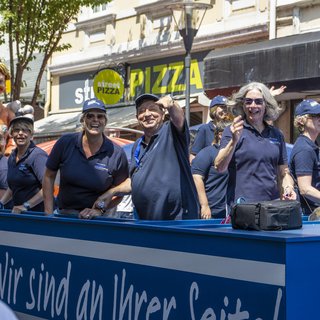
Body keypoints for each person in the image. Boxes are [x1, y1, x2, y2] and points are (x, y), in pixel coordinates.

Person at [95, 94, 199, 220]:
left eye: (152, 109)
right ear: (137, 118)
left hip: (176, 220)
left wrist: (171, 104)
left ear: (163, 113)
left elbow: (179, 119)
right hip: (146, 220)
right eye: (142, 111)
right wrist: (112, 192)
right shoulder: (137, 146)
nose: (147, 114)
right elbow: (133, 181)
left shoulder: (171, 131)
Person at [42, 98, 129, 219]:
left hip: (99, 219)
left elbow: (119, 193)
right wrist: (49, 213)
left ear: (105, 121)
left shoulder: (116, 152)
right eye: (90, 116)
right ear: (83, 120)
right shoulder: (65, 143)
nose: (95, 120)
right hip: (65, 215)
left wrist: (100, 210)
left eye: (100, 116)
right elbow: (48, 176)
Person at [215, 81, 296, 205]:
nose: (253, 106)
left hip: (272, 207)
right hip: (242, 207)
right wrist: (233, 141)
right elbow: (219, 167)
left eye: (258, 101)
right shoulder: (232, 131)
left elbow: (283, 172)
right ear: (242, 105)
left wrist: (289, 187)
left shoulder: (276, 134)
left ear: (266, 105)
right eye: (248, 101)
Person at [0, 115, 48, 213]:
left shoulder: (38, 155)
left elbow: (48, 187)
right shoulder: (12, 156)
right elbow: (13, 187)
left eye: (25, 130)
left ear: (31, 134)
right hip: (19, 214)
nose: (20, 133)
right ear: (12, 134)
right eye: (17, 130)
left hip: (37, 214)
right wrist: (1, 203)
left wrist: (26, 206)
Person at [191, 121, 230, 219]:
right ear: (221, 135)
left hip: (229, 211)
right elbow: (196, 177)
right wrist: (204, 206)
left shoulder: (235, 155)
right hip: (211, 212)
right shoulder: (208, 153)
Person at [289, 99, 320, 215]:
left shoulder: (311, 145)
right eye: (315, 115)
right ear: (302, 121)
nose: (319, 118)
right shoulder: (304, 149)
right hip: (309, 215)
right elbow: (305, 189)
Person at [190, 95, 232, 162]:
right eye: (222, 107)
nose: (225, 110)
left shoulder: (231, 129)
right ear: (214, 109)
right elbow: (193, 156)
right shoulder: (204, 129)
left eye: (226, 107)